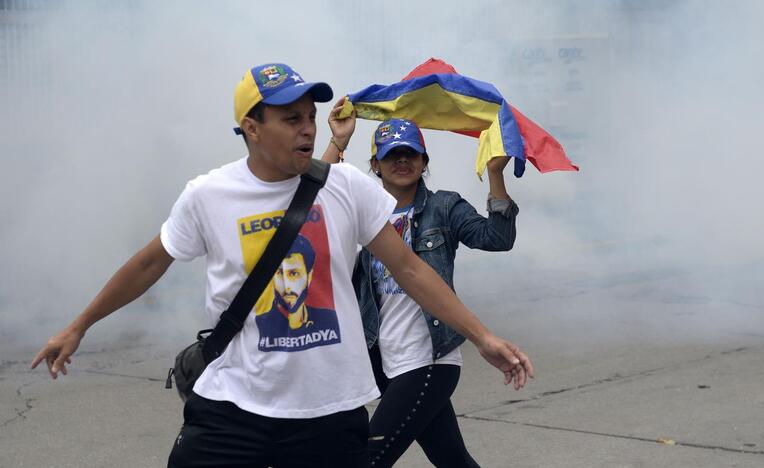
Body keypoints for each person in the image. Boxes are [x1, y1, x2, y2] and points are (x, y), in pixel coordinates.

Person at [30, 62, 534, 468]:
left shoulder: (347, 188)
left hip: (330, 413)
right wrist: (79, 326)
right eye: (291, 119)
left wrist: (484, 337)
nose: (307, 129)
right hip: (231, 407)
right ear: (251, 127)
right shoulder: (208, 195)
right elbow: (147, 264)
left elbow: (411, 270)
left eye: (310, 117)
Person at [322, 111, 519, 467]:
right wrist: (338, 142)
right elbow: (310, 199)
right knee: (453, 460)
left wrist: (495, 174)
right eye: (391, 154)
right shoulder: (360, 215)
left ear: (424, 162)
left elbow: (497, 238)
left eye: (410, 153)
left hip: (430, 359)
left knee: (366, 460)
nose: (402, 160)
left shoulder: (444, 206)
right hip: (384, 363)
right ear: (375, 165)